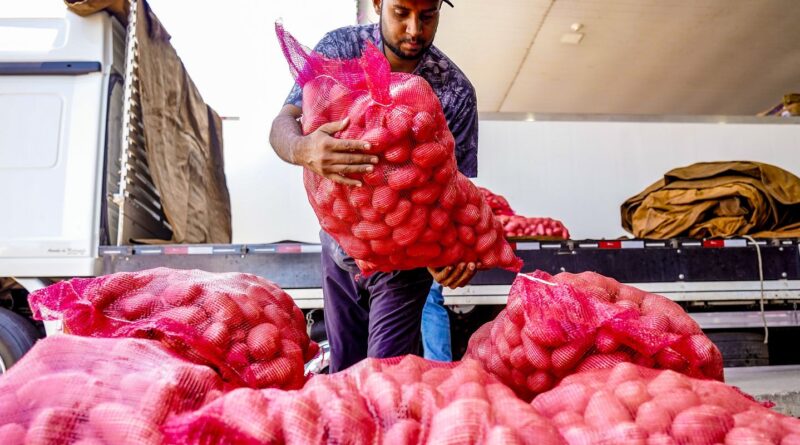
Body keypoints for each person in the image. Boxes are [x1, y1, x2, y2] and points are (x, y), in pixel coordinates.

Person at [269, 0, 478, 372]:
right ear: (378, 3)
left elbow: (454, 195)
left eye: (428, 15)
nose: (415, 29)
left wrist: (454, 250)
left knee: (384, 377)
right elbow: (284, 122)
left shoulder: (455, 92)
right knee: (345, 374)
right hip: (338, 249)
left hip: (404, 262)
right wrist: (304, 148)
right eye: (401, 12)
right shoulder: (340, 50)